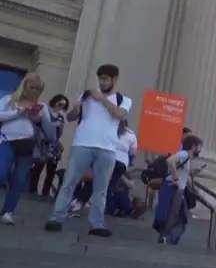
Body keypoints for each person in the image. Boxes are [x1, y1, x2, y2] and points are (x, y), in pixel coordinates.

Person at [45, 65, 132, 237]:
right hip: (82, 144)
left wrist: (102, 99)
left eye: (106, 79)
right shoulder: (86, 95)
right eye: (100, 78)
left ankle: (96, 224)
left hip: (107, 148)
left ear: (114, 79)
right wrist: (76, 108)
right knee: (70, 182)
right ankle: (56, 218)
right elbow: (70, 117)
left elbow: (120, 115)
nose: (102, 82)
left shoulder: (124, 99)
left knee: (101, 187)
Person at [0, 73, 53, 225]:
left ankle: (8, 211)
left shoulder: (41, 106)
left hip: (28, 145)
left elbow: (50, 133)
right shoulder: (9, 100)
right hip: (7, 140)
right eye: (32, 87)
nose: (34, 91)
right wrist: (18, 112)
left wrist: (39, 117)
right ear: (24, 85)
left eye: (38, 89)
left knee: (20, 180)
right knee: (1, 172)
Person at [152, 134, 203, 245]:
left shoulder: (186, 158)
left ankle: (165, 237)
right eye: (199, 146)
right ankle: (166, 237)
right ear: (193, 146)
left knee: (175, 216)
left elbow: (181, 171)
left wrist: (192, 172)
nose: (200, 149)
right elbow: (170, 161)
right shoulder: (184, 154)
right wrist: (175, 177)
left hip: (176, 189)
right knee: (175, 216)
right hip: (173, 188)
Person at [29, 94, 68, 198]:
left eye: (63, 105)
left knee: (51, 171)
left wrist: (60, 125)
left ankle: (45, 193)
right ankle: (32, 191)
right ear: (55, 101)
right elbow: (37, 122)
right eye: (60, 103)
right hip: (42, 144)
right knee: (38, 168)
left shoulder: (60, 117)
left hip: (53, 146)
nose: (60, 106)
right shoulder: (45, 111)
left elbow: (60, 134)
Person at [106, 120, 137, 214]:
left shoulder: (111, 129)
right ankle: (122, 207)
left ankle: (111, 207)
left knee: (107, 185)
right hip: (122, 163)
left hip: (110, 159)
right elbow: (133, 152)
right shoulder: (131, 135)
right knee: (112, 185)